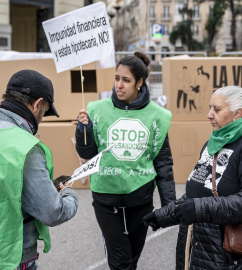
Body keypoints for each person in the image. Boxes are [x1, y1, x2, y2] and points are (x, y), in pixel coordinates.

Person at [75, 52, 176, 270]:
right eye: (116, 78)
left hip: (140, 200)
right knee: (121, 262)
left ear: (140, 82)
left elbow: (163, 163)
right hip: (105, 200)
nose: (119, 85)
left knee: (131, 259)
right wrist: (84, 130)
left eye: (126, 80)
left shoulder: (157, 115)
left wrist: (169, 206)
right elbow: (87, 153)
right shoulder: (95, 109)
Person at [0, 69, 78, 270]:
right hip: (10, 257)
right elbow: (52, 212)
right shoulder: (26, 148)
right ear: (37, 104)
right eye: (45, 110)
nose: (41, 119)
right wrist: (68, 194)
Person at [143, 85, 242, 269]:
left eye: (217, 109)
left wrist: (197, 208)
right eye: (210, 107)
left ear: (238, 114)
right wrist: (163, 216)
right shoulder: (214, 141)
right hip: (197, 243)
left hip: (226, 253)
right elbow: (197, 191)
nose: (209, 114)